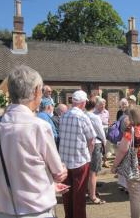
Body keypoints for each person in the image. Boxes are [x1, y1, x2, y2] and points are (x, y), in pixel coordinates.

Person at [0, 65, 67, 218]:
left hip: (1, 212)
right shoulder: (39, 127)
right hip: (36, 212)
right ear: (36, 91)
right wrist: (61, 172)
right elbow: (59, 172)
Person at [112, 105, 140, 218]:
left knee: (135, 197)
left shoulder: (131, 130)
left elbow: (122, 150)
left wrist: (114, 166)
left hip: (135, 167)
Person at [59, 90, 96, 218]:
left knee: (67, 194)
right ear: (83, 103)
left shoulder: (63, 115)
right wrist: (89, 155)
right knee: (79, 196)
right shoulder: (83, 117)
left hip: (64, 160)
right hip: (80, 160)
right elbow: (91, 139)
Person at [85, 98, 107, 204]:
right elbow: (101, 133)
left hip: (84, 144)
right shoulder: (94, 117)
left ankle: (89, 191)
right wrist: (105, 142)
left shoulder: (82, 116)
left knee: (87, 170)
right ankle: (93, 196)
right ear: (94, 106)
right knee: (94, 172)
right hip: (96, 144)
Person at [94, 97, 111, 168]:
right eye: (101, 104)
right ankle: (99, 161)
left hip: (106, 129)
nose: (103, 106)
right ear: (98, 105)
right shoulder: (94, 113)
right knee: (99, 146)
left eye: (104, 104)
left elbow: (108, 121)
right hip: (98, 131)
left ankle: (105, 161)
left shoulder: (106, 112)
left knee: (106, 146)